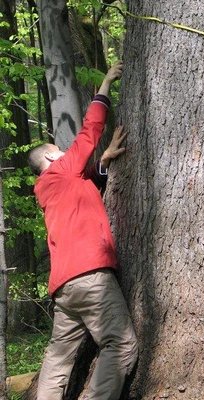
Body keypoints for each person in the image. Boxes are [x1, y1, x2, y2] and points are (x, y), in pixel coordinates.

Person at [28, 61, 138, 400]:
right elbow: (90, 128)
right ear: (50, 160)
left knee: (58, 360)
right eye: (58, 152)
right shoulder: (61, 171)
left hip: (64, 289)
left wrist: (104, 161)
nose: (64, 153)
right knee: (121, 343)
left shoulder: (50, 188)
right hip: (89, 275)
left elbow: (86, 181)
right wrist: (105, 83)